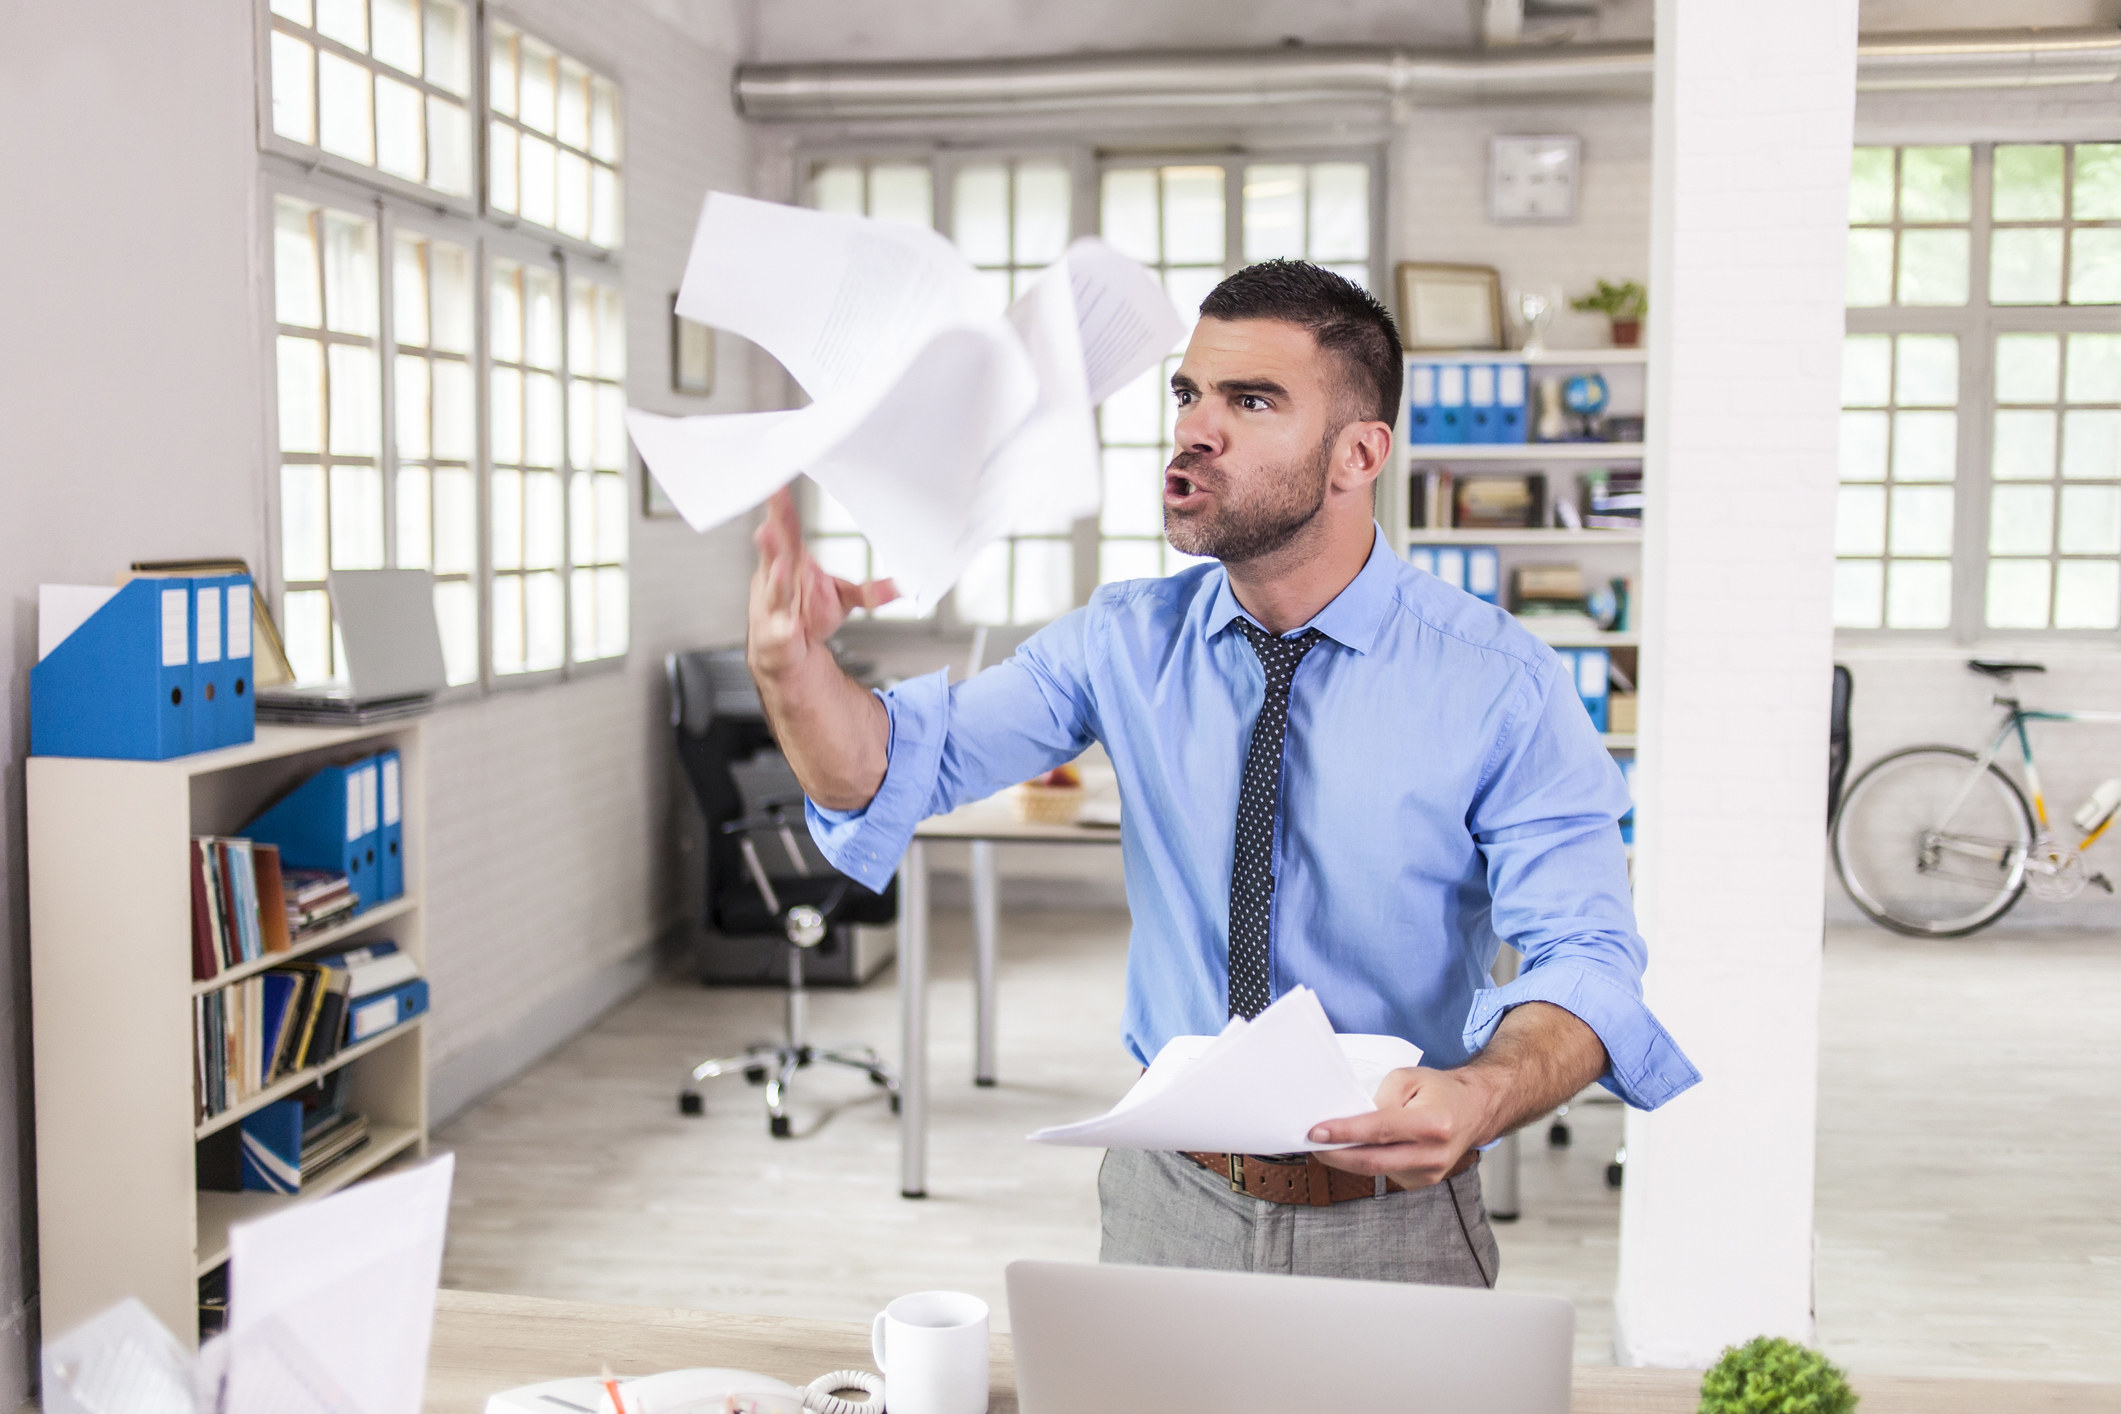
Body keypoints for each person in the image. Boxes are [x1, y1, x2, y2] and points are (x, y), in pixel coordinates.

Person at [746, 258, 1699, 1287]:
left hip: (1394, 1217)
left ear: (1357, 454)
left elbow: (1587, 958)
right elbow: (877, 772)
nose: (1196, 429)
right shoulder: (1122, 640)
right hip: (1168, 1198)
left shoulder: (1499, 683)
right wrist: (793, 671)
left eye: (1251, 401)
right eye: (1188, 394)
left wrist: (1484, 1091)